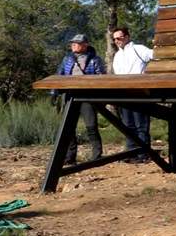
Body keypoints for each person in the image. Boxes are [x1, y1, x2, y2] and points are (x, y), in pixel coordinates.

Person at [52, 34, 104, 164]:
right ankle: (70, 156)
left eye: (77, 43)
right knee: (69, 127)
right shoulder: (67, 59)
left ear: (85, 44)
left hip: (88, 96)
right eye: (73, 43)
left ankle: (97, 155)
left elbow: (101, 78)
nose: (74, 45)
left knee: (91, 126)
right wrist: (54, 92)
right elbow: (60, 75)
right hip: (70, 95)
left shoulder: (95, 59)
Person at [109, 26, 154, 158]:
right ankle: (131, 153)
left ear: (127, 37)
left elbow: (155, 56)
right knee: (128, 125)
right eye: (115, 39)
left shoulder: (139, 49)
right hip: (124, 93)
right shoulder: (117, 55)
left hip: (139, 92)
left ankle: (143, 154)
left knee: (141, 125)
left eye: (120, 37)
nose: (117, 40)